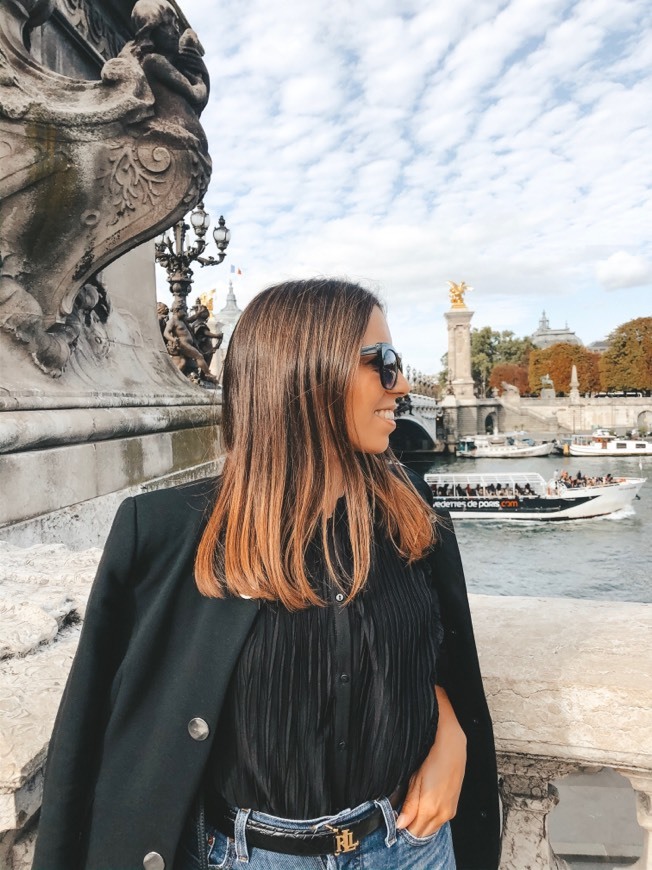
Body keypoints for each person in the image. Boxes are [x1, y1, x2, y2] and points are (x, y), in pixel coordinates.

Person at [32, 279, 499, 870]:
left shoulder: (410, 513)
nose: (401, 384)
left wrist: (448, 726)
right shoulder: (166, 534)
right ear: (304, 375)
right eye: (382, 363)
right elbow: (87, 740)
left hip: (411, 846)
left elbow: (434, 657)